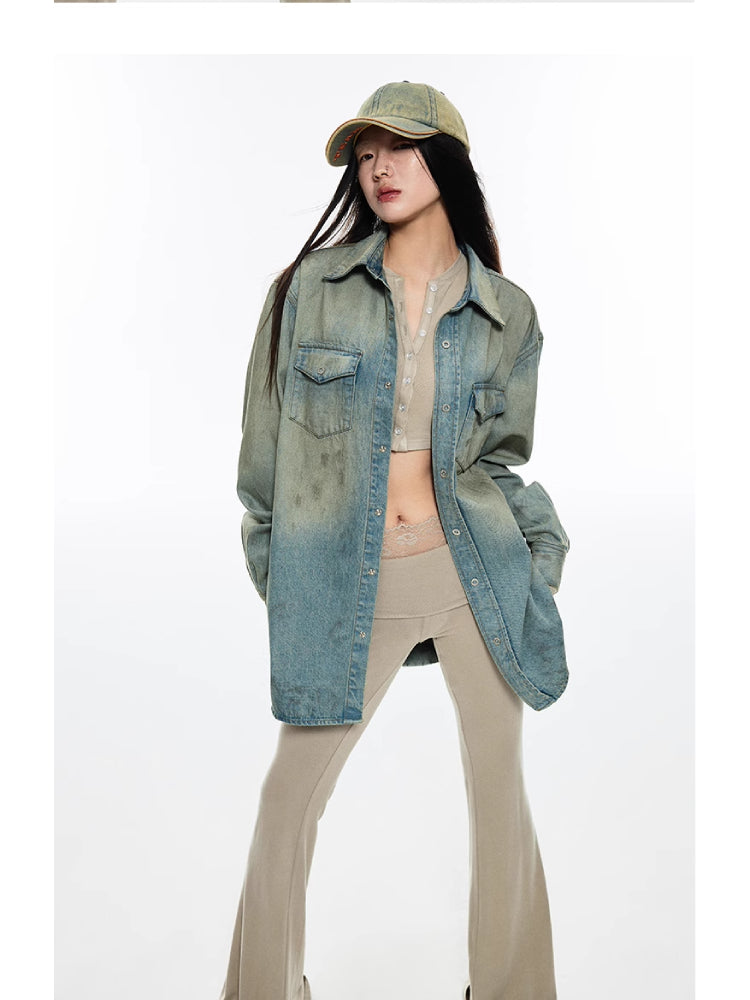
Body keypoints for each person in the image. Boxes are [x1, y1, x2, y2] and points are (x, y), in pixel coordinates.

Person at [219, 81, 570, 1000]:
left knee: (499, 800)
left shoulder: (509, 313)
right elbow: (264, 464)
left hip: (473, 572)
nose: (379, 167)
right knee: (287, 800)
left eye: (401, 148)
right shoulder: (309, 290)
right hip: (350, 582)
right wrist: (292, 577)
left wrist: (537, 565)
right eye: (366, 154)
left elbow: (500, 461)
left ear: (446, 161)